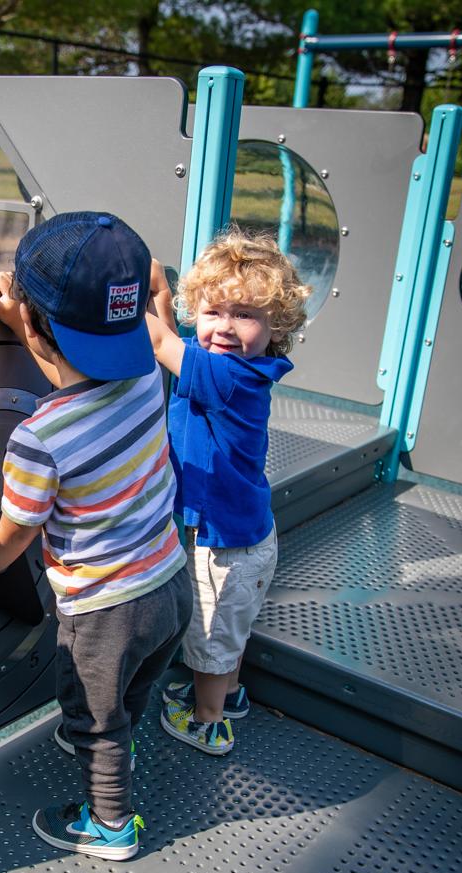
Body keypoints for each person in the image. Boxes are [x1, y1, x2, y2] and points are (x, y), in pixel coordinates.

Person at [0, 211, 191, 862]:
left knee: (92, 718)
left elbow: (12, 535)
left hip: (105, 612)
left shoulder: (39, 438)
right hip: (170, 583)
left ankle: (110, 826)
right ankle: (123, 738)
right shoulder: (143, 378)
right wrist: (23, 326)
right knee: (133, 691)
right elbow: (80, 375)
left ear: (33, 323)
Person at [141, 229, 311, 755]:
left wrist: (119, 286)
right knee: (229, 632)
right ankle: (229, 694)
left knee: (212, 636)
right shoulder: (228, 364)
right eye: (214, 312)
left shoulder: (231, 377)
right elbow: (176, 338)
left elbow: (159, 342)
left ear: (274, 327)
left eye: (245, 315)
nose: (225, 328)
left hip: (225, 547)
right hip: (243, 535)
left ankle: (208, 720)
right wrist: (161, 295)